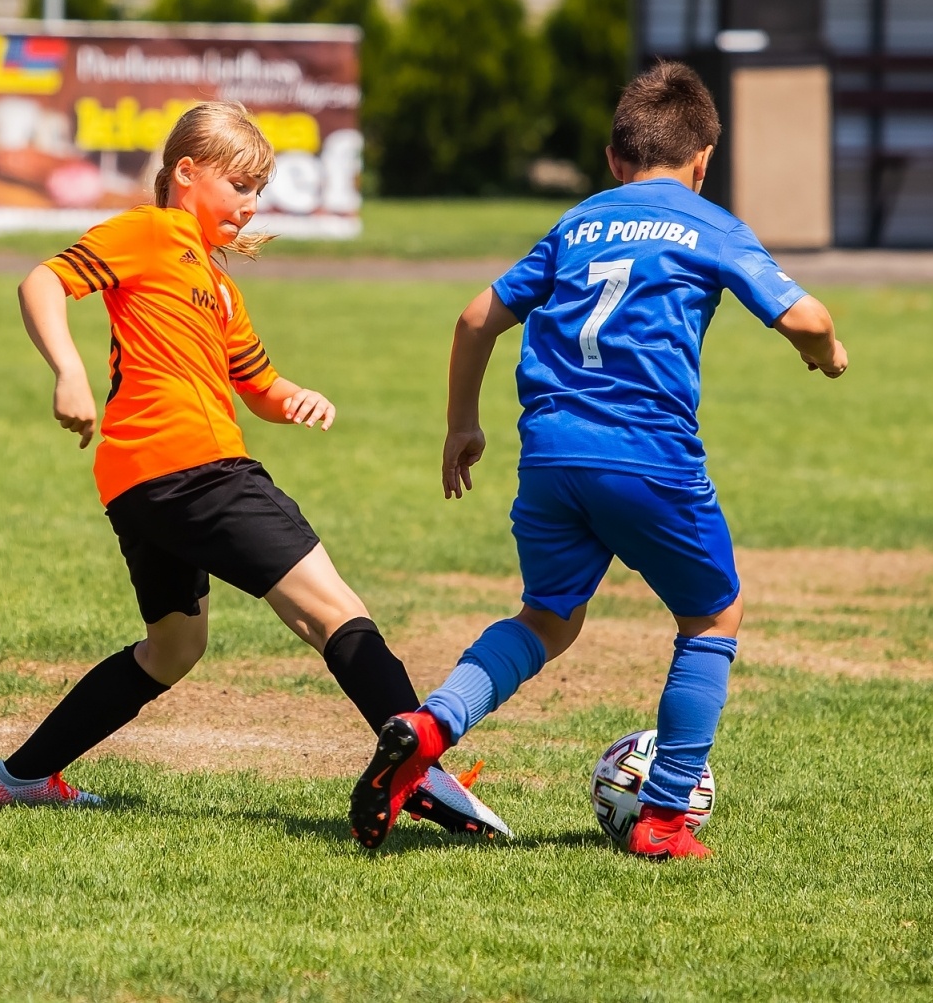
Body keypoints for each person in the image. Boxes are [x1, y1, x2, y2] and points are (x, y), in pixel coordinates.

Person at [348, 62, 849, 859]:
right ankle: (665, 816)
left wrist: (462, 424)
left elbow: (476, 318)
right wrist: (826, 354)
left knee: (548, 617)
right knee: (712, 616)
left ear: (614, 160)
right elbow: (809, 318)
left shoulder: (577, 222)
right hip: (648, 455)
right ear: (704, 160)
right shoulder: (710, 224)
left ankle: (428, 725)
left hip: (550, 456)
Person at [0, 101, 509, 839]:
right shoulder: (150, 231)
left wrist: (295, 398)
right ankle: (421, 773)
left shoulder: (220, 289)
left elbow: (258, 386)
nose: (250, 204)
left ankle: (17, 777)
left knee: (173, 648)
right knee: (332, 608)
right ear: (186, 173)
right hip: (198, 468)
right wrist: (68, 371)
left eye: (259, 190)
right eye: (239, 185)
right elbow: (42, 282)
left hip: (138, 485)